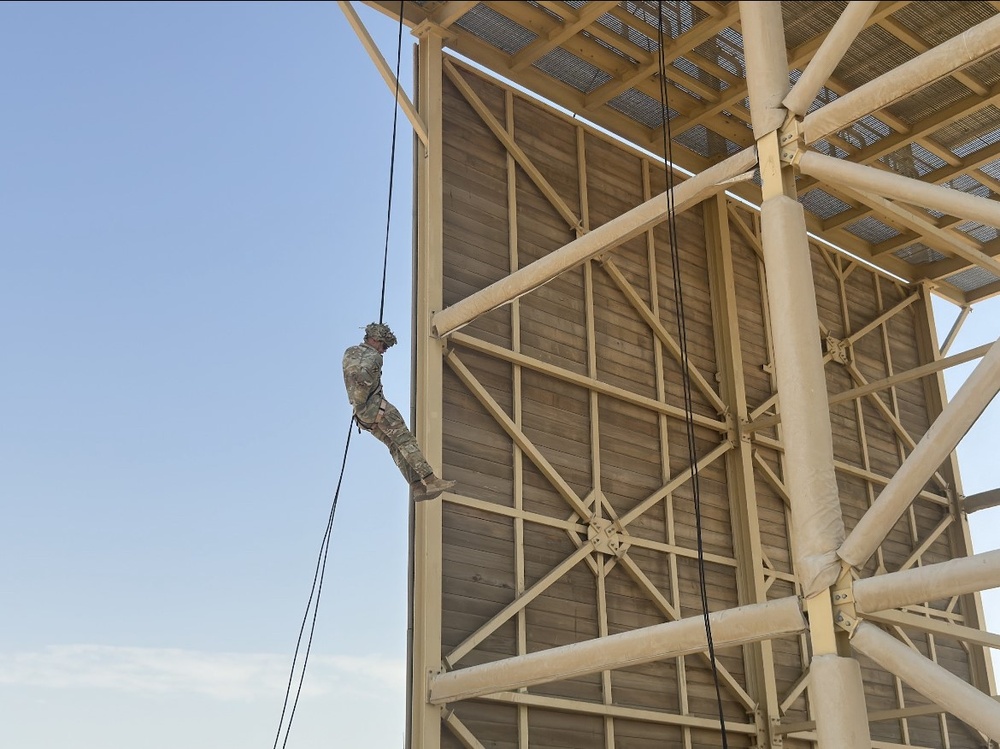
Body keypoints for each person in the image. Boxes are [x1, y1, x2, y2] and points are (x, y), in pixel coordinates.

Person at [343, 322, 456, 501]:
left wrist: (360, 405)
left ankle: (417, 487)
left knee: (394, 447)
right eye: (383, 345)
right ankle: (431, 479)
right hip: (377, 409)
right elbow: (362, 385)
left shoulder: (349, 352)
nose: (384, 350)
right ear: (374, 339)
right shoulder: (374, 357)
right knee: (405, 441)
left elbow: (354, 387)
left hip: (362, 417)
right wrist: (368, 402)